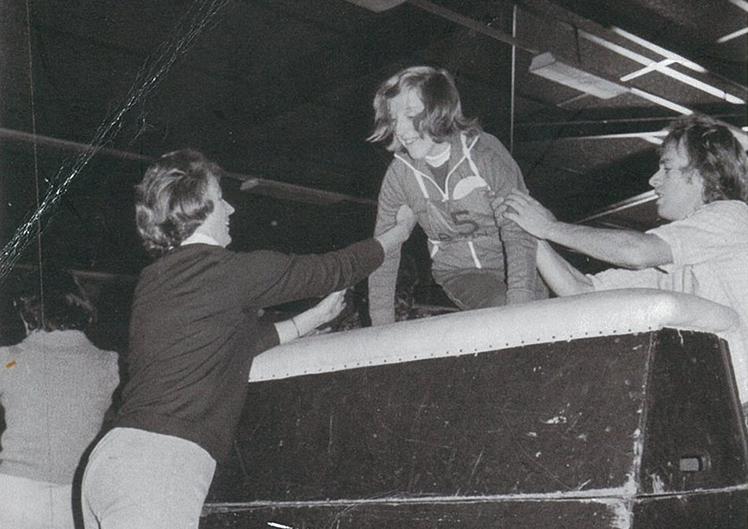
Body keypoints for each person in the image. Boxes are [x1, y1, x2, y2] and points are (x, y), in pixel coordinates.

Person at [81, 148, 414, 528]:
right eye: (221, 197)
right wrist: (398, 233)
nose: (231, 209)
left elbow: (241, 345)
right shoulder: (233, 273)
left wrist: (315, 317)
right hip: (160, 467)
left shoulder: (154, 282)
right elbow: (335, 269)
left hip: (109, 460)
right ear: (199, 207)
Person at [494, 114, 748, 406]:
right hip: (720, 408)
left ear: (704, 174)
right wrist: (529, 234)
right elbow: (583, 291)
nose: (654, 180)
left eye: (667, 167)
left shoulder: (732, 217)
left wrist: (549, 227)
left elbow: (636, 252)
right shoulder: (681, 253)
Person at [367, 66, 545, 326]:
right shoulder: (399, 175)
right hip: (462, 273)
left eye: (410, 115)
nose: (402, 130)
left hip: (516, 260)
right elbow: (384, 249)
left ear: (439, 110)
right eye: (394, 119)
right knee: (500, 307)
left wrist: (520, 296)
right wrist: (381, 324)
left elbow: (518, 229)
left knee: (535, 312)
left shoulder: (484, 153)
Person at [0, 268, 119, 529]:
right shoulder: (109, 364)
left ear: (26, 312)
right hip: (76, 498)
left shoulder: (8, 359)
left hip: (15, 496)